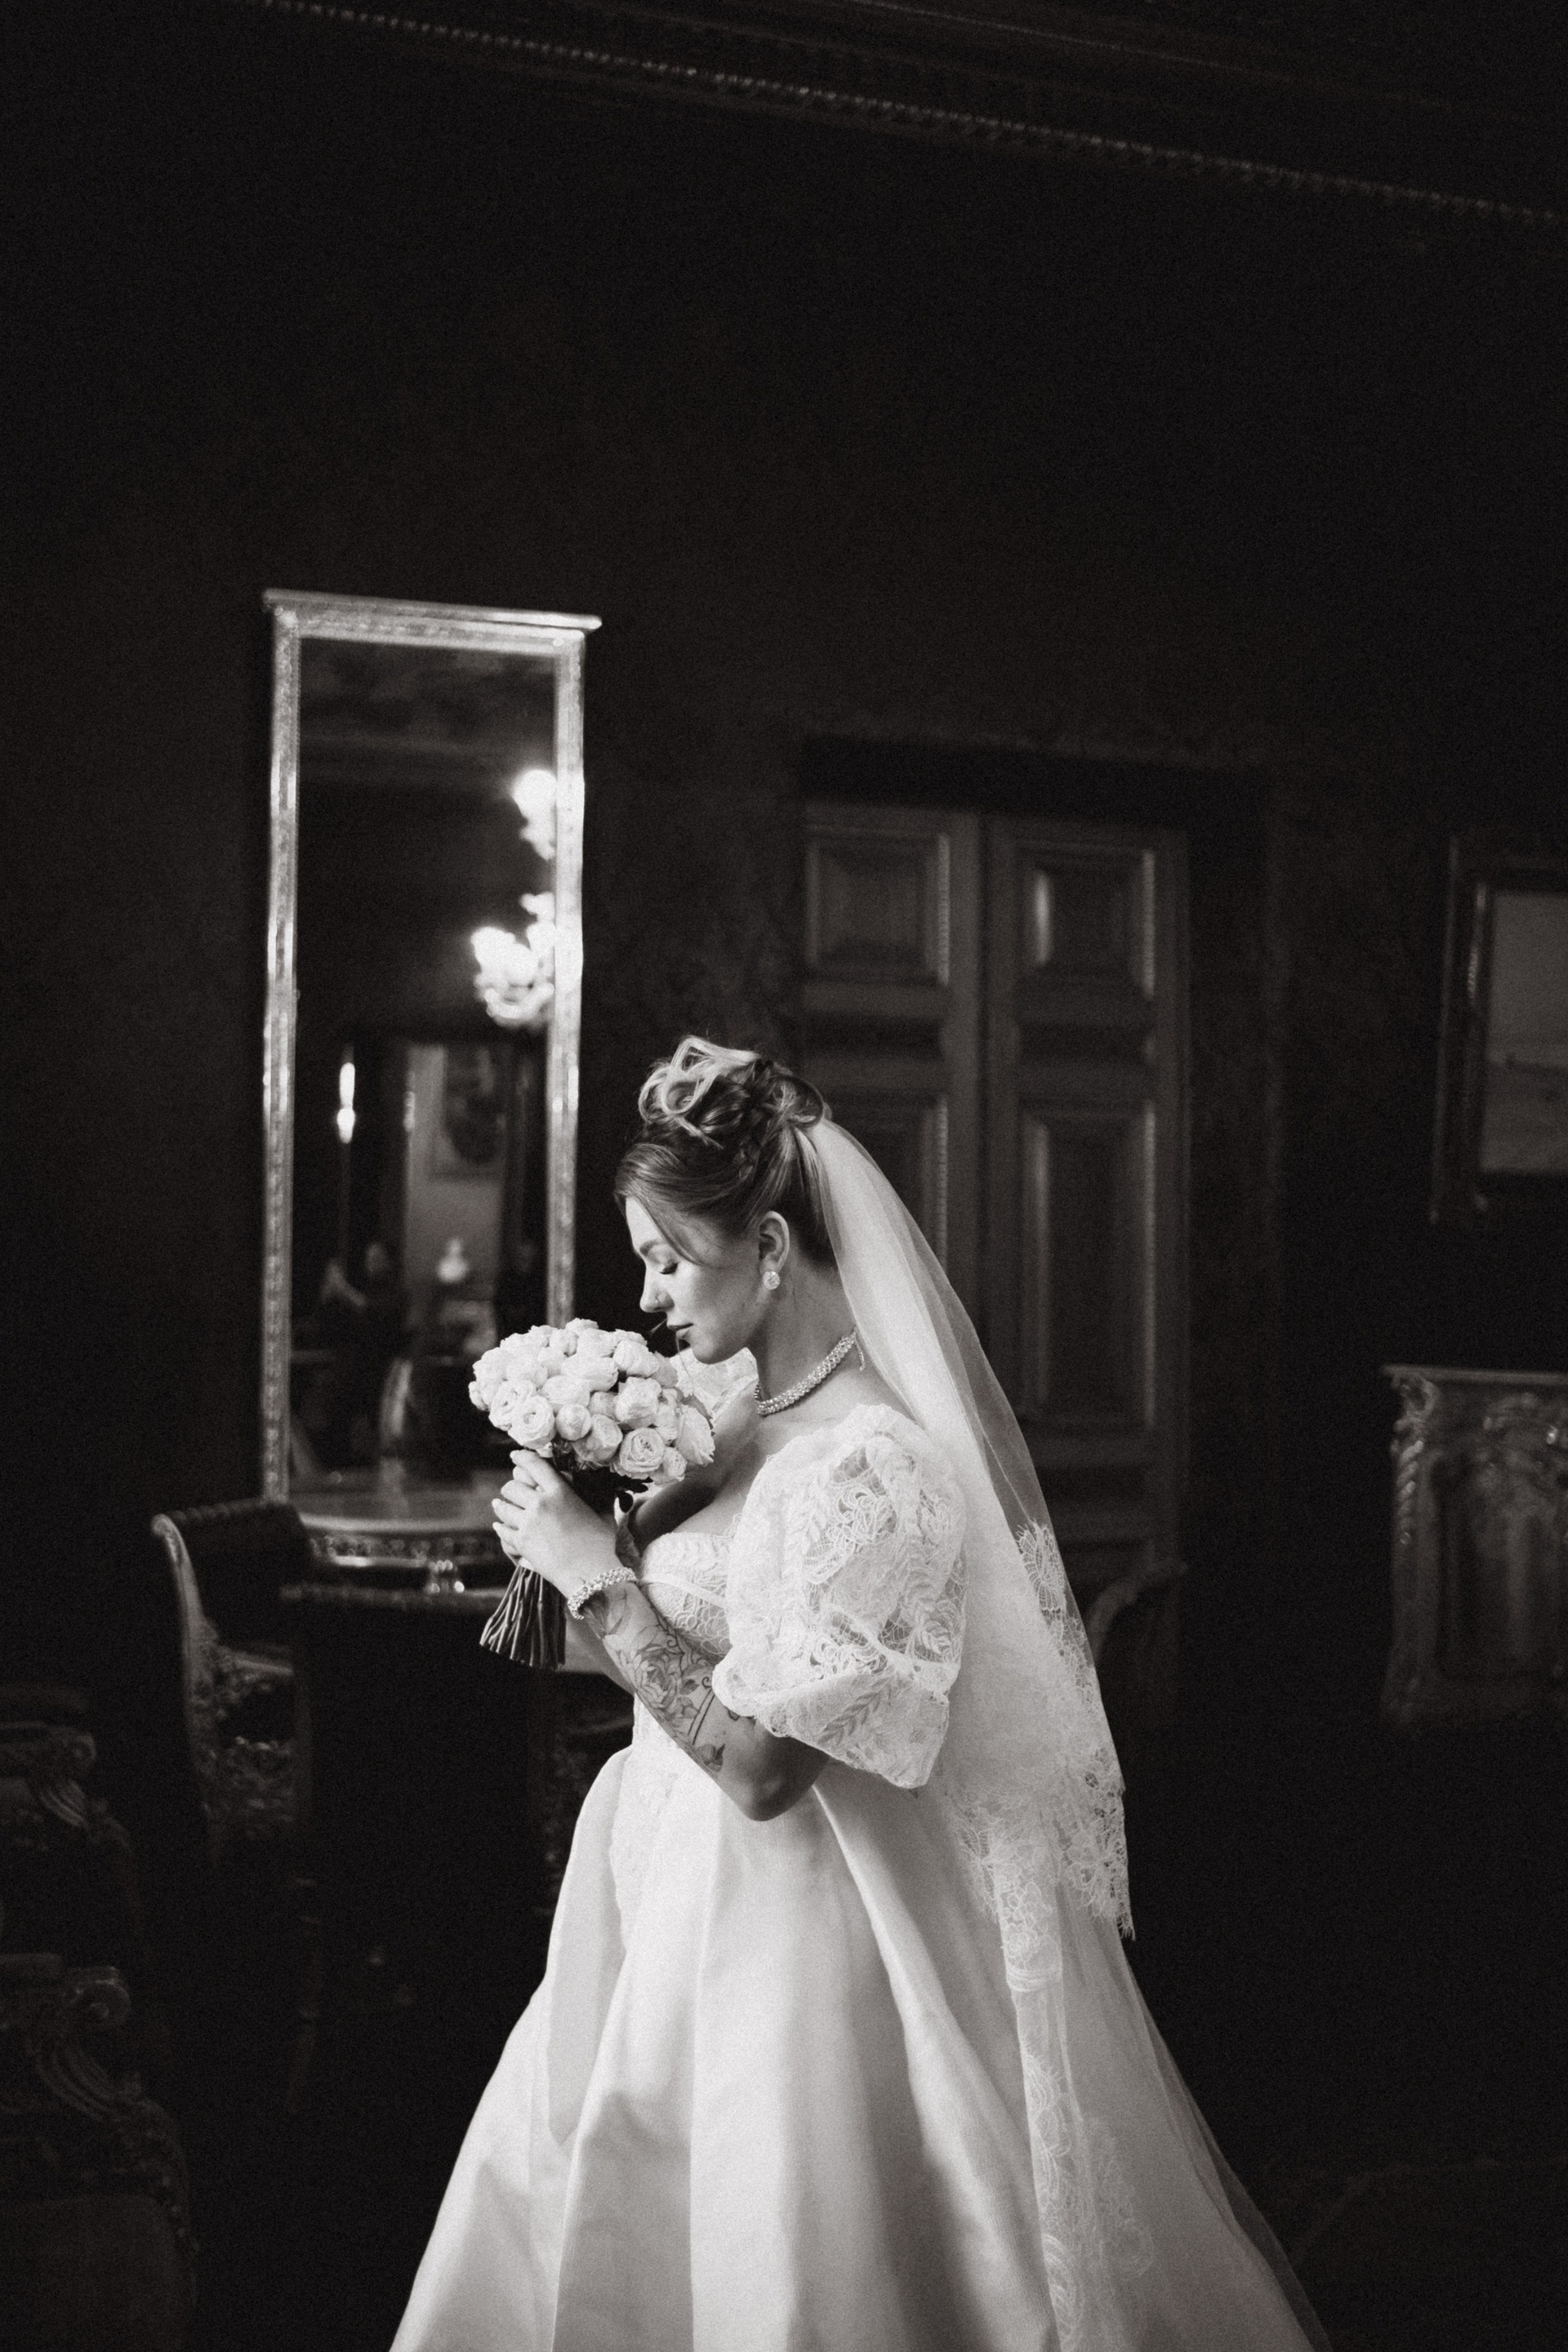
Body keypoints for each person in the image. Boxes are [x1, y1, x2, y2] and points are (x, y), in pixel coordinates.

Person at [392, 1039, 1329, 2352]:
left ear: (772, 1248)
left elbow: (768, 1774)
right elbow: (632, 1652)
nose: (648, 1297)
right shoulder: (732, 1418)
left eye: (669, 1259)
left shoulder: (874, 1468)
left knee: (789, 2240)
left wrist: (599, 1576)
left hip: (800, 1931)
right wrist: (589, 1547)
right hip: (660, 1880)